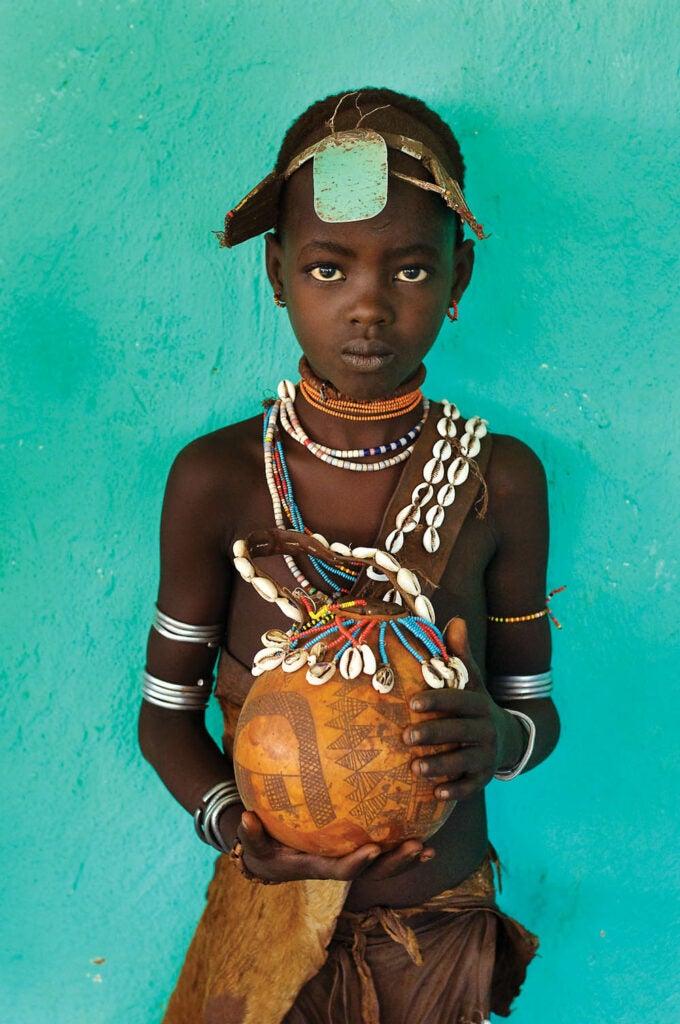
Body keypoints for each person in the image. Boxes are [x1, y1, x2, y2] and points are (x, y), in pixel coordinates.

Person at [139, 88, 560, 1024]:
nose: (368, 306)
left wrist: (498, 740)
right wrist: (237, 830)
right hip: (264, 929)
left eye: (410, 272)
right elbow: (165, 720)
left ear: (458, 281)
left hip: (439, 939)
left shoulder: (502, 479)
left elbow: (534, 711)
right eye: (329, 270)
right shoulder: (220, 479)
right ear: (277, 271)